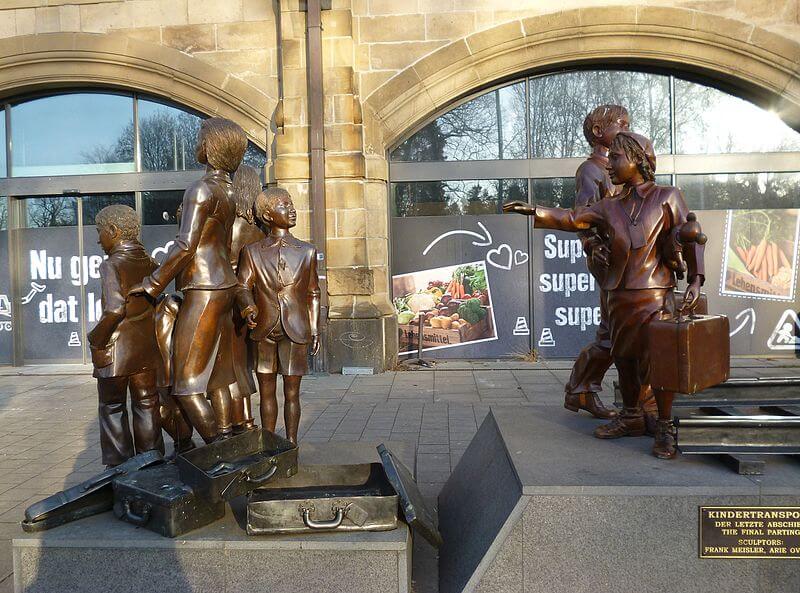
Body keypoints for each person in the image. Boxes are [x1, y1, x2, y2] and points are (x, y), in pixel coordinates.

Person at [504, 131, 705, 459]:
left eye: (615, 158)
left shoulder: (667, 196)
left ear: (637, 159)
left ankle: (664, 426)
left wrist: (696, 279)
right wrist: (534, 210)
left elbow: (691, 235)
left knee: (658, 362)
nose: (609, 164)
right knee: (624, 359)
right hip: (619, 295)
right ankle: (631, 416)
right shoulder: (609, 206)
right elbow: (573, 218)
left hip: (655, 294)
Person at [129, 117, 248, 443]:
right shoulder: (229, 193)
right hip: (223, 287)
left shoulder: (201, 189)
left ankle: (218, 451)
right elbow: (223, 246)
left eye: (200, 138)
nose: (197, 143)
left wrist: (152, 283)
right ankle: (226, 439)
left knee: (186, 384)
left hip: (204, 289)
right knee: (218, 378)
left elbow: (185, 246)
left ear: (212, 146)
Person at [236, 187, 321, 444]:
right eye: (284, 205)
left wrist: (315, 329)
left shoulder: (306, 251)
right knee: (266, 392)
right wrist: (248, 307)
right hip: (263, 329)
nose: (292, 209)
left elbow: (313, 293)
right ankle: (269, 442)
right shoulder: (252, 251)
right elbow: (242, 286)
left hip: (296, 328)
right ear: (267, 215)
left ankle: (292, 443)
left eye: (291, 204)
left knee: (292, 393)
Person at [563, 104, 629, 420]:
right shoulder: (592, 170)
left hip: (631, 259)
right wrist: (592, 244)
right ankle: (582, 389)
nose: (626, 129)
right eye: (621, 124)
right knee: (615, 330)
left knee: (618, 330)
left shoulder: (623, 168)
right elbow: (584, 215)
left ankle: (584, 390)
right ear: (599, 131)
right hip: (610, 259)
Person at [88, 205, 164, 467]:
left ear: (113, 231)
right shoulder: (150, 263)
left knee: (112, 407)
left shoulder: (111, 265)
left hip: (116, 352)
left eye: (100, 232)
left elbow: (115, 309)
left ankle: (120, 469)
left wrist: (95, 339)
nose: (98, 240)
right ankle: (151, 463)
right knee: (147, 404)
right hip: (145, 350)